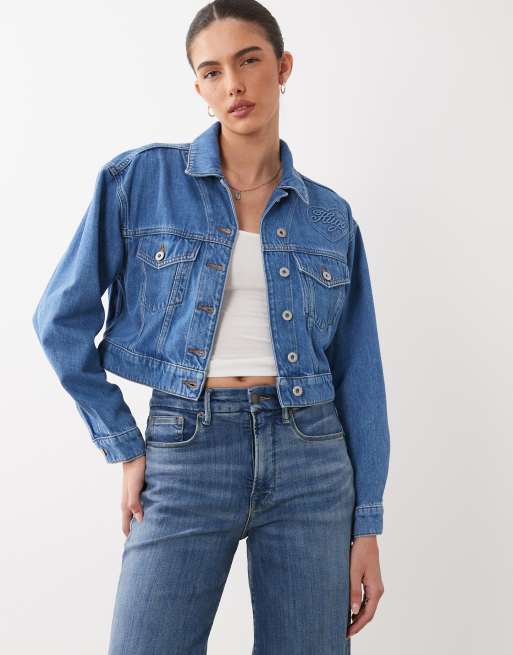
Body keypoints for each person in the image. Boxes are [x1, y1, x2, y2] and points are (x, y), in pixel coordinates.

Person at [32, 1, 390, 652]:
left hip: (311, 458)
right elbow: (59, 318)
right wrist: (125, 444)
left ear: (283, 67)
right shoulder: (140, 179)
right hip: (186, 445)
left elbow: (359, 371)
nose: (233, 84)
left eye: (249, 61)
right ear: (198, 87)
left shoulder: (329, 216)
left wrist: (366, 524)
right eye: (212, 71)